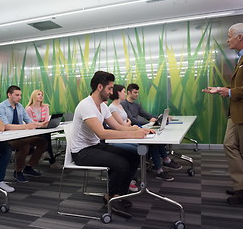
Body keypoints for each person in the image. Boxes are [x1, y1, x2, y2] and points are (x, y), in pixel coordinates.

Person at [202, 23, 243, 205]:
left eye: (230, 36)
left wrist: (230, 93)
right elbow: (242, 86)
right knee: (229, 145)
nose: (227, 40)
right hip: (238, 112)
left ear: (240, 37)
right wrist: (223, 89)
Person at [71, 71, 151, 218]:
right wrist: (133, 134)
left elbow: (118, 127)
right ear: (100, 87)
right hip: (81, 152)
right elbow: (102, 133)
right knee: (121, 164)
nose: (111, 92)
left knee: (133, 156)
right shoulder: (86, 106)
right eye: (109, 88)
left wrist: (137, 129)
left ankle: (120, 194)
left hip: (95, 146)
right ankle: (112, 198)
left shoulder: (102, 106)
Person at [121, 83, 182, 181]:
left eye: (138, 92)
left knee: (157, 139)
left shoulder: (136, 105)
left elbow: (147, 115)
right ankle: (159, 170)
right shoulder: (124, 104)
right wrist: (149, 122)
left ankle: (165, 160)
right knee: (153, 143)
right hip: (133, 130)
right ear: (129, 92)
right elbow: (132, 120)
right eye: (135, 92)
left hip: (140, 128)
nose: (137, 94)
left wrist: (159, 117)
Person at [0, 85, 48, 183]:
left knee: (43, 142)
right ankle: (18, 171)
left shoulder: (19, 106)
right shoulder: (1, 107)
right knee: (25, 145)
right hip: (7, 138)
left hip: (21, 135)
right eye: (17, 95)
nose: (19, 97)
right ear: (9, 95)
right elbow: (6, 126)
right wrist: (25, 126)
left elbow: (29, 121)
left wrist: (41, 124)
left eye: (20, 95)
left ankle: (29, 167)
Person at [108, 84, 139, 192]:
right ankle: (128, 179)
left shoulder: (120, 106)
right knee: (136, 150)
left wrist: (129, 124)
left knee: (139, 147)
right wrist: (129, 124)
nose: (125, 94)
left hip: (123, 134)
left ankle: (130, 177)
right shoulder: (112, 108)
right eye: (123, 91)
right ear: (118, 93)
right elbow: (121, 126)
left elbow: (124, 124)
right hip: (117, 137)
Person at [25, 89, 63, 170]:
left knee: (46, 134)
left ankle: (46, 153)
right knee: (46, 135)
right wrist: (40, 124)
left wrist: (43, 124)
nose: (41, 96)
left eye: (42, 95)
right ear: (34, 96)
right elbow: (31, 122)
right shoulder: (28, 109)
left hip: (43, 128)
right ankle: (51, 159)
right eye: (39, 94)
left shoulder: (45, 107)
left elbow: (46, 120)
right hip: (33, 130)